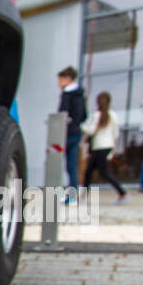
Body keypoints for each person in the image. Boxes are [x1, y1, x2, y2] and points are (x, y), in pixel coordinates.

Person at [81, 91, 126, 202]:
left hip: (99, 147)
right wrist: (113, 149)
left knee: (101, 171)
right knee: (90, 171)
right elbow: (116, 134)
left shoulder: (97, 115)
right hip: (107, 145)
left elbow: (91, 131)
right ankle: (82, 196)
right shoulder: (113, 115)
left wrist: (80, 126)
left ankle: (122, 192)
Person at [57, 66, 87, 195]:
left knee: (56, 162)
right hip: (76, 133)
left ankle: (56, 192)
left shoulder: (67, 94)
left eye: (60, 80)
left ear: (68, 79)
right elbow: (84, 115)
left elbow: (61, 114)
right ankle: (72, 195)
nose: (58, 83)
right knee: (72, 166)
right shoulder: (80, 94)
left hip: (65, 133)